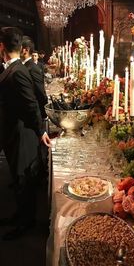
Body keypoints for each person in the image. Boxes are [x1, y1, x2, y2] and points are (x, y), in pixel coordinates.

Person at [0, 27, 51, 240]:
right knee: (19, 179)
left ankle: (25, 222)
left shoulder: (18, 71)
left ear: (2, 46)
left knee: (23, 181)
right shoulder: (14, 68)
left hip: (21, 134)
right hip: (14, 132)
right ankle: (20, 216)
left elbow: (31, 104)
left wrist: (40, 132)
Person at [21, 37, 48, 119]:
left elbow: (40, 92)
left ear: (26, 50)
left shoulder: (32, 68)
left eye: (19, 46)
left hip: (35, 112)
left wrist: (43, 114)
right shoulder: (25, 66)